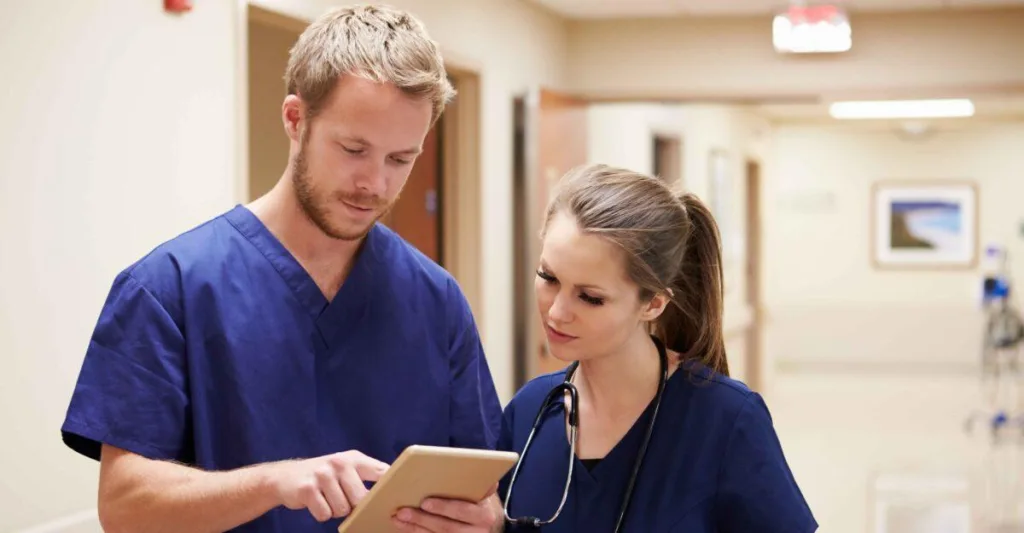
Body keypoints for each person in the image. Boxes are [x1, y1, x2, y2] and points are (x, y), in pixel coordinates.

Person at [60, 5, 503, 533]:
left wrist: (487, 520)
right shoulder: (169, 288)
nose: (376, 185)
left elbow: (487, 491)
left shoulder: (436, 301)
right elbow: (125, 507)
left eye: (399, 159)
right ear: (296, 119)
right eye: (353, 149)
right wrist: (274, 483)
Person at [496, 164, 817, 532]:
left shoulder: (725, 420)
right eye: (548, 278)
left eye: (590, 298)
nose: (557, 311)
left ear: (653, 304)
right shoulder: (529, 411)